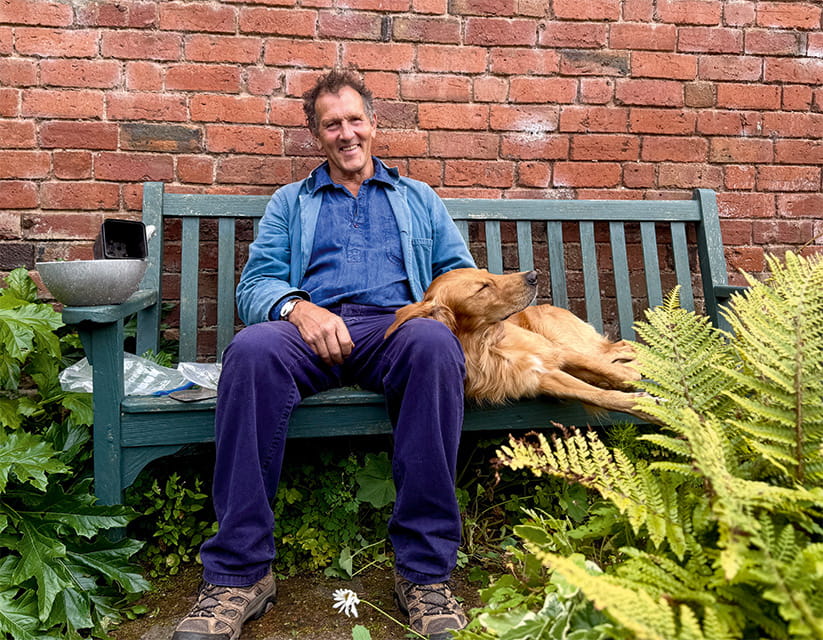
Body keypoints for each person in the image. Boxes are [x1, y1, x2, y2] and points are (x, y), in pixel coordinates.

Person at [172, 69, 477, 640]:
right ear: (317, 135)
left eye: (355, 119)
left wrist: (433, 311)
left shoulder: (417, 198)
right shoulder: (292, 202)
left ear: (374, 124)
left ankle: (425, 574)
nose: (346, 133)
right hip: (314, 332)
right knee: (251, 350)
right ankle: (239, 574)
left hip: (396, 330)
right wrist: (297, 309)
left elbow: (457, 275)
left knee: (435, 344)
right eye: (332, 123)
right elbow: (255, 285)